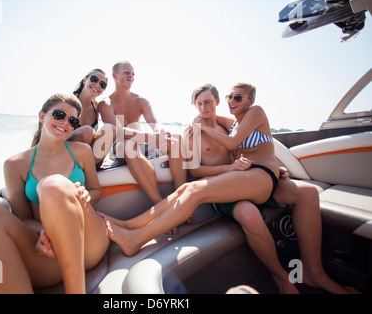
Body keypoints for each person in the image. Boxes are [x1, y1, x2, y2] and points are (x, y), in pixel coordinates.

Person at [102, 83, 357, 294]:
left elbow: (241, 145)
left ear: (217, 102)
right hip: (240, 182)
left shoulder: (232, 122)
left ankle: (314, 272)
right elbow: (196, 169)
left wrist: (270, 167)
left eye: (210, 102)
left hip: (253, 178)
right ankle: (132, 228)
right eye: (199, 104)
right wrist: (228, 166)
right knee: (210, 198)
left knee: (309, 192)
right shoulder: (196, 131)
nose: (204, 107)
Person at [0, 94, 110, 294]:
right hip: (48, 251)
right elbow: (23, 217)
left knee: (53, 186)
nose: (65, 122)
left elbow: (97, 191)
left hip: (88, 243)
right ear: (42, 116)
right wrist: (43, 233)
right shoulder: (15, 164)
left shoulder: (81, 151)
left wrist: (85, 196)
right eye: (60, 114)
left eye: (72, 120)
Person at [98, 61, 187, 205]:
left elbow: (154, 122)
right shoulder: (106, 103)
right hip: (119, 148)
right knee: (127, 145)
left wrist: (160, 135)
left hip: (141, 146)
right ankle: (159, 204)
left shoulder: (141, 101)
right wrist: (152, 137)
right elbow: (118, 132)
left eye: (133, 74)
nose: (131, 76)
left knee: (176, 138)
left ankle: (182, 196)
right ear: (114, 75)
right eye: (127, 72)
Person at [67, 69, 116, 165]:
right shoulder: (67, 101)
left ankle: (87, 168)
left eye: (102, 85)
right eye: (94, 79)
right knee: (87, 131)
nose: (97, 85)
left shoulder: (97, 107)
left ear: (103, 91)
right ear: (85, 80)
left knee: (111, 129)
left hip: (84, 158)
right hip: (65, 154)